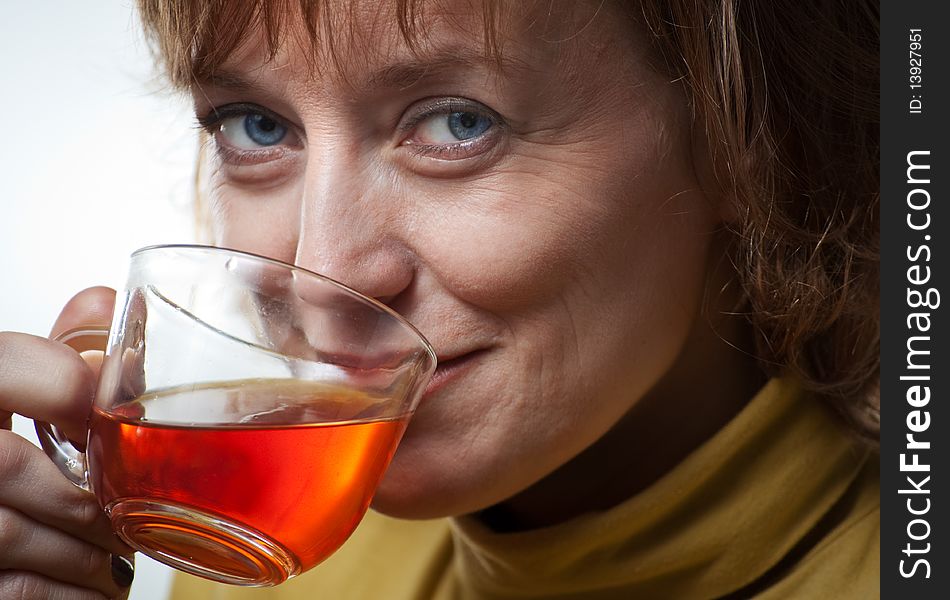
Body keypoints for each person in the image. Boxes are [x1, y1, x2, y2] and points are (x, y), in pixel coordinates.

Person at [0, 0, 879, 598]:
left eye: (460, 122)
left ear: (748, 133)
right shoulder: (258, 539)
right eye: (255, 125)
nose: (325, 271)